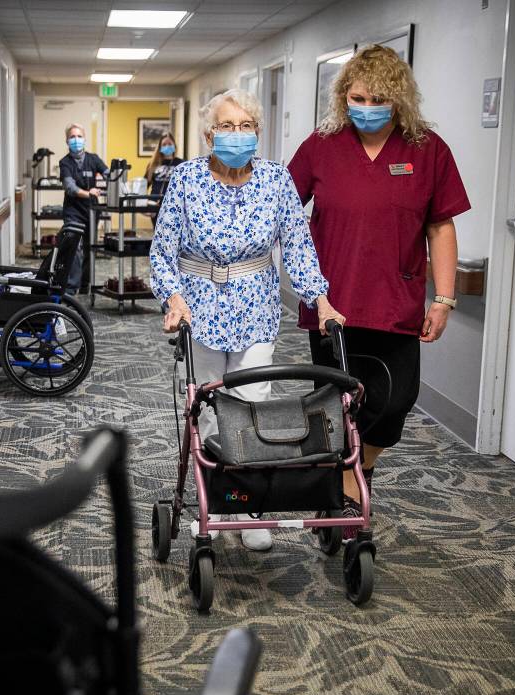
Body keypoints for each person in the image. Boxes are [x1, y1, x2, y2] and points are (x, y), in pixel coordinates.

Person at [287, 45, 471, 538]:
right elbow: (281, 210)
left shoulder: (427, 149)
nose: (367, 106)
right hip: (331, 302)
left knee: (394, 401)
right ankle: (339, 491)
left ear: (400, 99)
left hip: (397, 303)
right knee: (330, 405)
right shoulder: (322, 146)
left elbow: (441, 226)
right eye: (358, 97)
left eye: (379, 98)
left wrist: (444, 297)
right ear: (344, 95)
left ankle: (355, 471)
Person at [150, 89, 344, 552]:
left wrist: (322, 302)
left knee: (253, 402)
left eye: (245, 126)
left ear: (257, 132)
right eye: (226, 126)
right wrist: (173, 299)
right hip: (198, 305)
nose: (236, 135)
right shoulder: (186, 179)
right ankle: (219, 500)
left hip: (256, 303)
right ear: (208, 134)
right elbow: (162, 251)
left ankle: (249, 502)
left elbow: (297, 246)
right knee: (210, 406)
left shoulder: (277, 181)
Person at [58, 124, 108, 294]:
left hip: (91, 212)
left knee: (89, 249)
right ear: (67, 140)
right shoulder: (65, 163)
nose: (76, 140)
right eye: (72, 137)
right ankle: (72, 288)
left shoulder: (93, 159)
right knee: (75, 249)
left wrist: (114, 177)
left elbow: (109, 173)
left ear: (85, 139)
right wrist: (89, 193)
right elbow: (70, 188)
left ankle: (86, 285)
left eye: (79, 136)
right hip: (73, 212)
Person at [144, 132, 184, 197]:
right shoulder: (152, 164)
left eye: (170, 144)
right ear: (160, 147)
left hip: (173, 203)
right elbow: (144, 186)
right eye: (164, 144)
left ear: (174, 146)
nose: (167, 146)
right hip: (154, 203)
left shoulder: (181, 164)